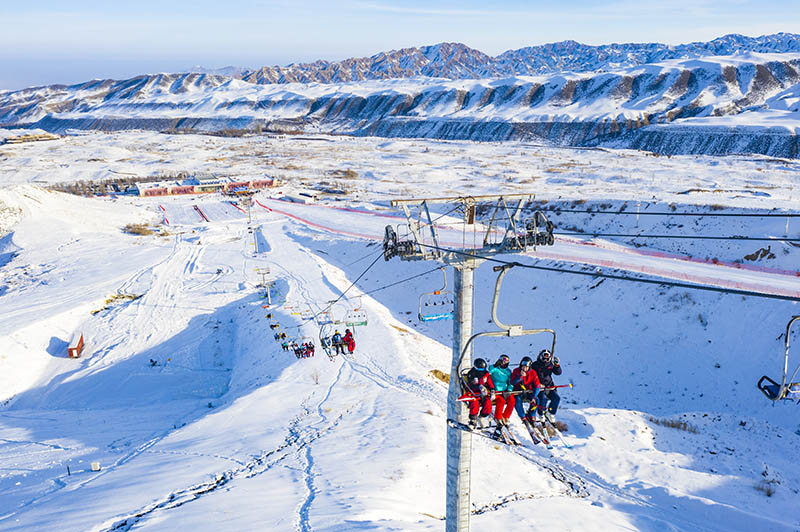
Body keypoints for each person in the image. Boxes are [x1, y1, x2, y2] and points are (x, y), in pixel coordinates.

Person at [487, 355, 515, 437]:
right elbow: (489, 371)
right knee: (501, 401)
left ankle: (505, 416)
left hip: (505, 390)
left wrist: (509, 390)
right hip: (496, 390)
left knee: (512, 401)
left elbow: (511, 382)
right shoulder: (495, 368)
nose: (503, 364)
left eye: (505, 362)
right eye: (502, 361)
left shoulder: (508, 371)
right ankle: (498, 417)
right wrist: (495, 365)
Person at [463, 358, 494, 429]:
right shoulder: (472, 374)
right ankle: (472, 420)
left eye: (483, 369)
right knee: (474, 404)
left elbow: (490, 383)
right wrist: (478, 386)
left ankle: (482, 417)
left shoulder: (486, 374)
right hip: (474, 393)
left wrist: (492, 389)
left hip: (483, 393)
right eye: (480, 370)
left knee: (488, 405)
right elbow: (470, 384)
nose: (482, 371)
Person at [532, 349, 562, 422]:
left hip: (549, 386)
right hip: (540, 387)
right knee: (543, 398)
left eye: (547, 359)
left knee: (557, 398)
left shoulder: (550, 364)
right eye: (544, 358)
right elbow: (531, 375)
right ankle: (541, 414)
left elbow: (558, 373)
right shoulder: (535, 365)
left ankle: (550, 413)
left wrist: (557, 365)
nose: (545, 360)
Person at [510, 356, 540, 422]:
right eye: (523, 366)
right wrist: (520, 377)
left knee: (536, 400)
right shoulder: (516, 371)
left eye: (526, 367)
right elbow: (512, 382)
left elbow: (537, 385)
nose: (524, 368)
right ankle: (522, 416)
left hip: (528, 391)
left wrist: (533, 396)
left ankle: (531, 414)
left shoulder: (533, 373)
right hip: (518, 392)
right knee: (517, 400)